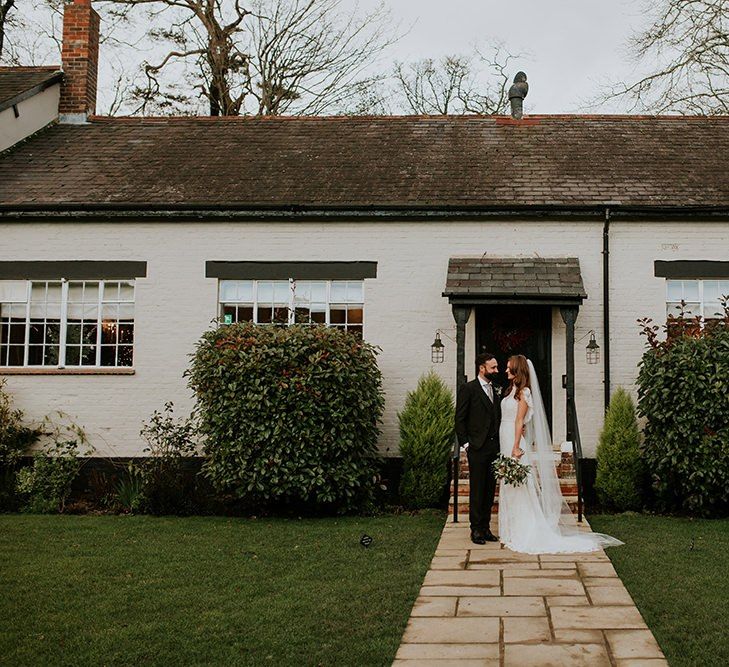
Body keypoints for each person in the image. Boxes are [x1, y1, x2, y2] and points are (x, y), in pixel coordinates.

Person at [498, 354, 623, 554]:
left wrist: (515, 446)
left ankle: (523, 530)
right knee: (508, 485)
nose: (505, 370)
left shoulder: (524, 392)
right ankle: (509, 530)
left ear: (517, 370)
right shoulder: (510, 390)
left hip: (513, 441)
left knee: (519, 486)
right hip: (505, 436)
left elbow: (520, 421)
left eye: (508, 367)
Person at [455, 352, 502, 545]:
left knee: (490, 489)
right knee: (477, 489)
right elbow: (459, 419)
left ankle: (486, 527)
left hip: (494, 447)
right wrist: (466, 444)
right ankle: (475, 530)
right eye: (493, 367)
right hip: (477, 447)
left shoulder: (496, 388)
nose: (496, 370)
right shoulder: (469, 389)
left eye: (497, 367)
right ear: (481, 368)